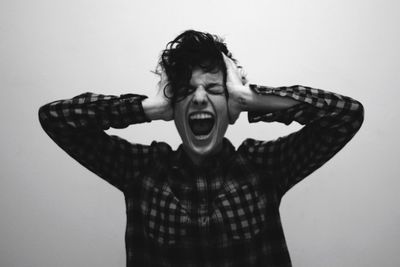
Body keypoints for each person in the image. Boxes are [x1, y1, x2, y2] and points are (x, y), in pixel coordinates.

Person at [39, 30, 364, 267]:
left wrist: (253, 99)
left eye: (213, 88)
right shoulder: (141, 169)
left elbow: (345, 115)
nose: (198, 98)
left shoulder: (264, 166)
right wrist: (147, 108)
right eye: (185, 91)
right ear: (171, 107)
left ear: (232, 104)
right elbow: (55, 119)